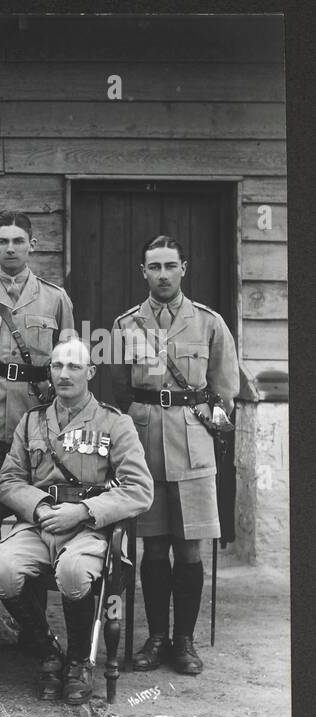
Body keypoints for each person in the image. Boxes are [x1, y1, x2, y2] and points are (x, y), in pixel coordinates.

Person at [0, 338, 153, 704]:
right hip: (40, 522)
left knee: (74, 573)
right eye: (57, 366)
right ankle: (50, 649)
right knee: (3, 568)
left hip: (87, 527)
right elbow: (8, 480)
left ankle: (79, 660)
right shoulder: (32, 421)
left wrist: (84, 512)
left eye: (74, 367)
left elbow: (140, 489)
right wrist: (38, 508)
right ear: (49, 371)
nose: (64, 374)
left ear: (90, 373)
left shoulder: (115, 423)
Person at [112, 235, 240, 675]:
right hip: (143, 444)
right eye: (154, 267)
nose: (162, 274)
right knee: (152, 548)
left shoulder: (208, 323)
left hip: (193, 445)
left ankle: (184, 641)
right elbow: (114, 391)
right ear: (142, 272)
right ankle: (156, 638)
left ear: (184, 267)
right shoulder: (126, 325)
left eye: (170, 265)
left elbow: (227, 390)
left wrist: (213, 414)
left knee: (189, 550)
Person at [0, 209, 76, 651]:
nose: (10, 248)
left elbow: (68, 358)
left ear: (32, 245)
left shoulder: (55, 299)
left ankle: (32, 620)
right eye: (2, 241)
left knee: (34, 514)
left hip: (37, 423)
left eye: (18, 240)